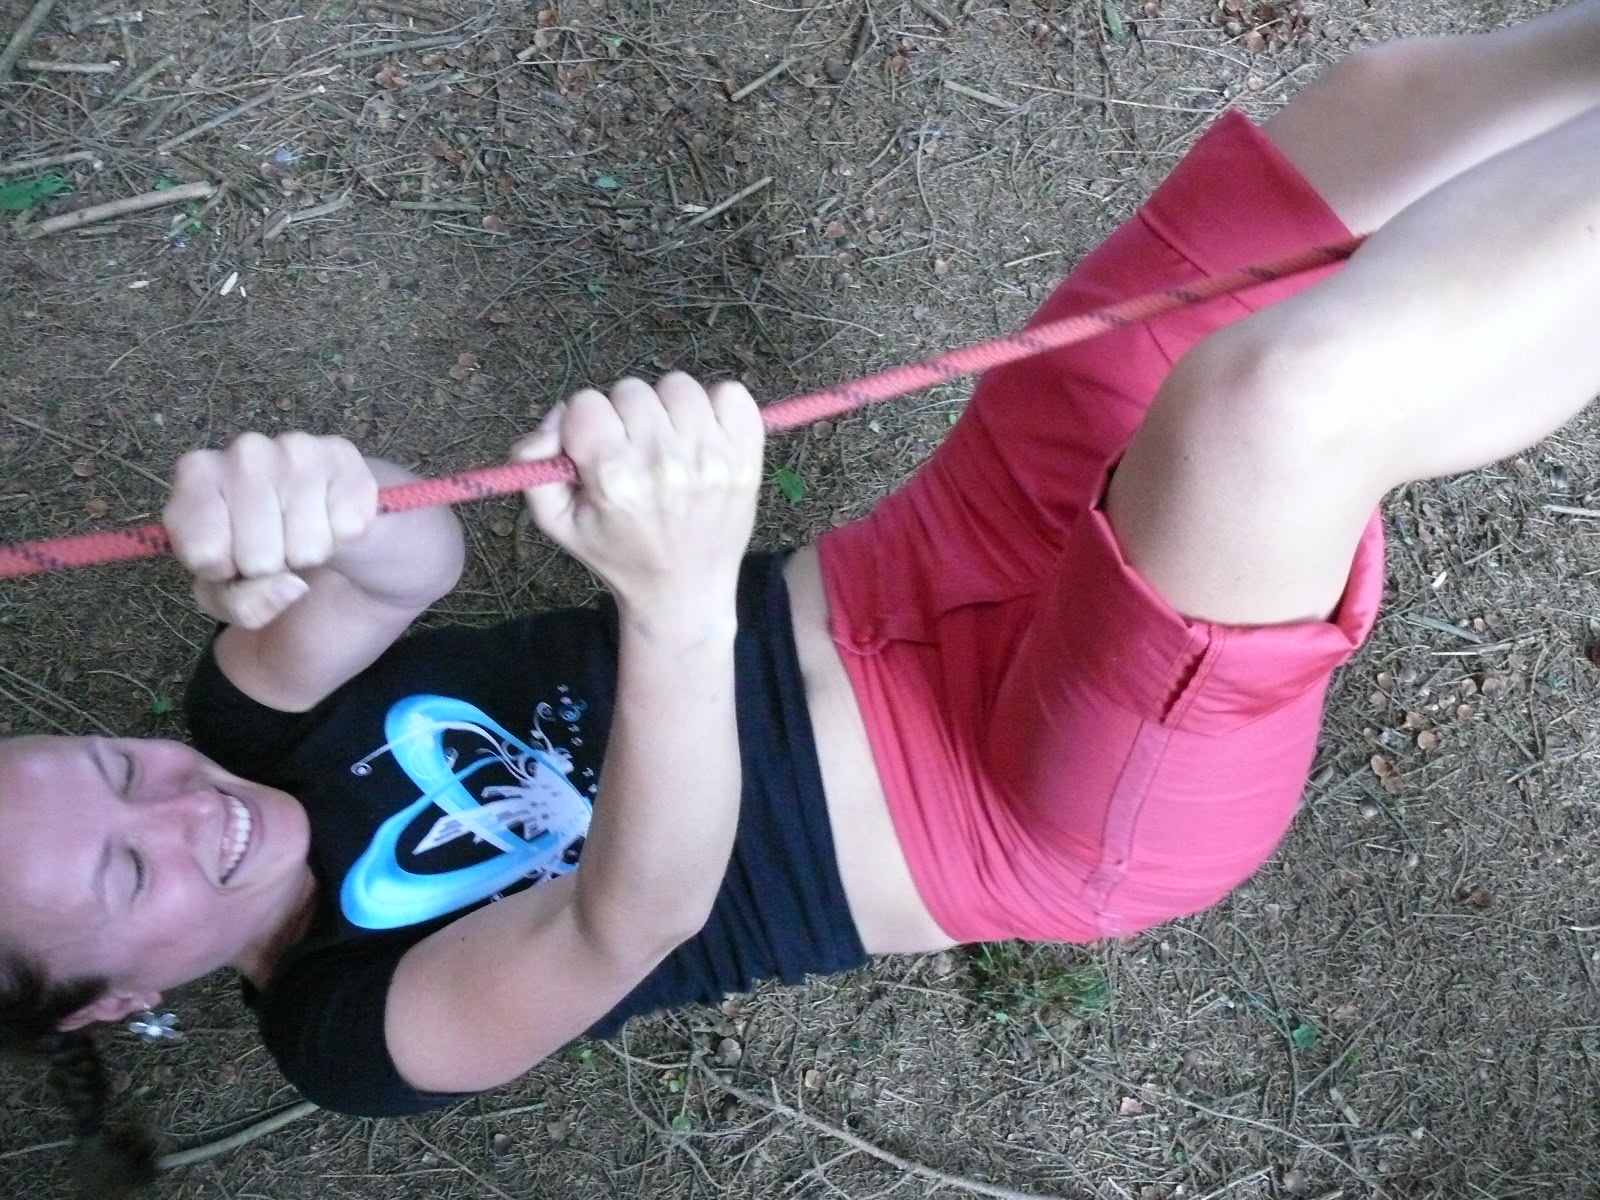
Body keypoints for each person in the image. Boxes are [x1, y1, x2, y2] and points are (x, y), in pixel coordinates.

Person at [4, 1, 1599, 1188]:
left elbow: (406, 563)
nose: (184, 807)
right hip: (1015, 798)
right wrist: (679, 602)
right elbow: (634, 914)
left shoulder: (242, 724)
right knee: (1275, 410)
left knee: (1365, 119)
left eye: (116, 770)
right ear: (108, 1005)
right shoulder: (348, 1035)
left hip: (929, 556)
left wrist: (304, 504)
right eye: (129, 875)